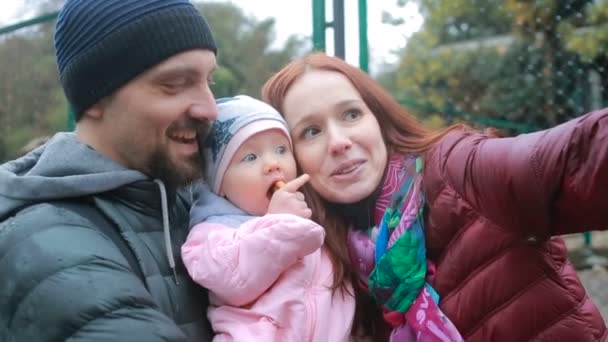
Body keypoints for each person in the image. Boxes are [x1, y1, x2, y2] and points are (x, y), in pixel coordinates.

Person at [261, 52, 608, 342]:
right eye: (311, 131)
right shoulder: (324, 261)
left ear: (377, 119)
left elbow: (574, 160)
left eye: (351, 114)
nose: (339, 141)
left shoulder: (455, 169)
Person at [0, 0, 219, 340]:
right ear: (96, 98)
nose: (210, 109)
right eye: (175, 83)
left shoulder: (190, 199)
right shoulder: (45, 246)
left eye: (209, 81)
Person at [181, 95, 355, 341]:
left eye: (281, 149)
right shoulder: (212, 232)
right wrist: (278, 222)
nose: (273, 164)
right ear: (219, 184)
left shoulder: (309, 217)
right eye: (250, 158)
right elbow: (231, 280)